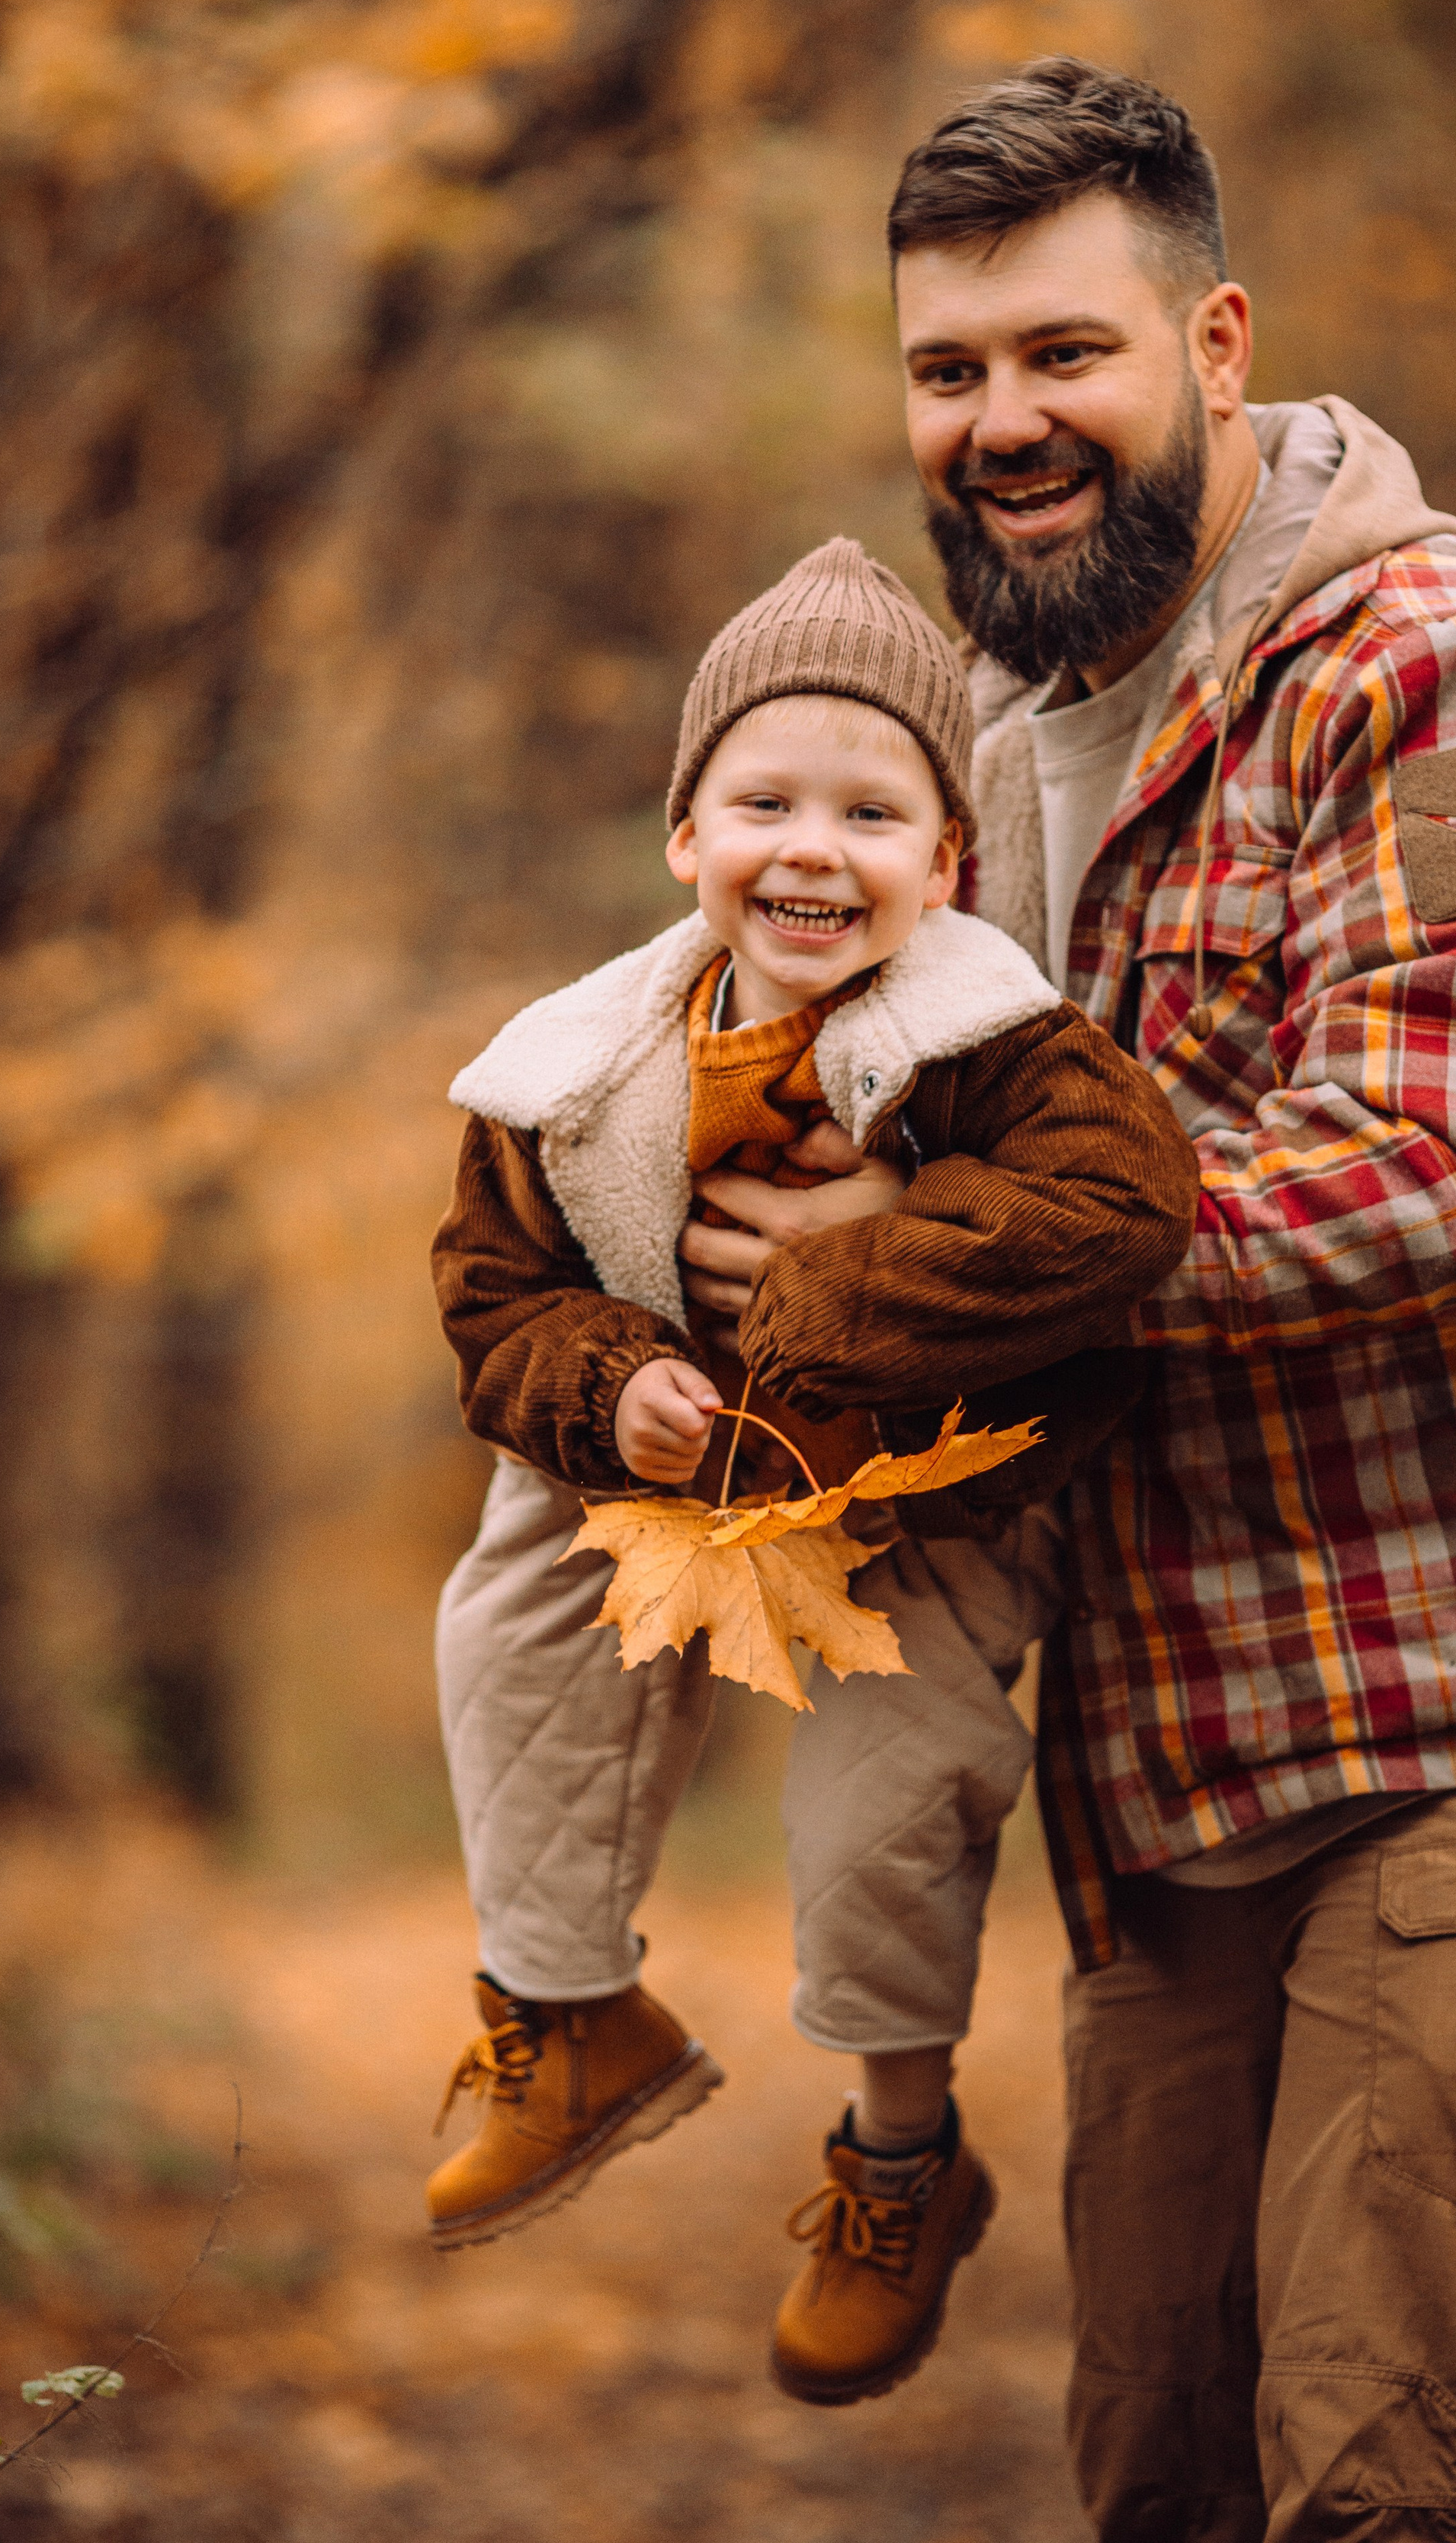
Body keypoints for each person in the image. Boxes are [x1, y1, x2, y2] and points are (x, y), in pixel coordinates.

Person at [765, 53, 1456, 2540]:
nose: (1002, 419)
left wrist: (910, 1272)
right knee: (1168, 2484)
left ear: (1216, 345)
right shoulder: (989, 756)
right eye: (948, 369)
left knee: (1384, 2486)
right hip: (1186, 1769)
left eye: (1063, 353)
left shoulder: (1452, 678)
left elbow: (1440, 1164)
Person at [425, 534, 1198, 2407]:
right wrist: (608, 1387)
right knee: (515, 1598)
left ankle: (898, 2155)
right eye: (763, 797)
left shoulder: (991, 1042)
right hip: (675, 1468)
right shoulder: (581, 1061)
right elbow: (489, 1296)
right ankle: (565, 2007)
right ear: (683, 833)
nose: (810, 846)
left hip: (915, 1484)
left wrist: (841, 1271)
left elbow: (1127, 1203)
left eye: (870, 810)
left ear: (945, 864)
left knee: (885, 1792)